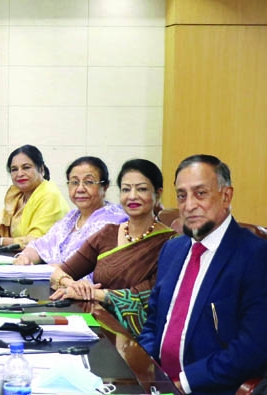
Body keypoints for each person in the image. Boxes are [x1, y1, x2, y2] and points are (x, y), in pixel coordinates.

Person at [138, 155, 267, 395]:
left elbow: (252, 348)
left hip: (208, 387)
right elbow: (154, 322)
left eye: (200, 193)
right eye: (181, 195)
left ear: (226, 196)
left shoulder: (255, 256)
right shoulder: (173, 249)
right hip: (157, 384)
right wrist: (142, 367)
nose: (188, 205)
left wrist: (183, 383)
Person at [49, 159, 175, 336]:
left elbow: (144, 297)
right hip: (98, 327)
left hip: (142, 339)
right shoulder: (108, 233)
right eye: (126, 189)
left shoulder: (172, 243)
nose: (132, 196)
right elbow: (59, 273)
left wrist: (94, 294)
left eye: (141, 189)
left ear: (158, 193)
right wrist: (74, 286)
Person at [14, 156, 127, 265]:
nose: (80, 189)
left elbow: (103, 267)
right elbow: (40, 246)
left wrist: (61, 270)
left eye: (88, 182)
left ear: (105, 186)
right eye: (74, 182)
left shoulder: (115, 220)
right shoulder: (71, 218)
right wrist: (26, 257)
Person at [0, 145, 69, 250]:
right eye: (14, 169)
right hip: (18, 257)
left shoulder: (50, 196)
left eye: (26, 167)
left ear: (41, 169)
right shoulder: (18, 194)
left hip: (42, 262)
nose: (19, 174)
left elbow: (37, 242)